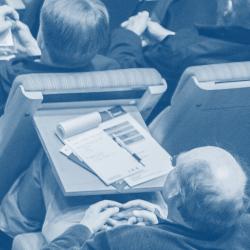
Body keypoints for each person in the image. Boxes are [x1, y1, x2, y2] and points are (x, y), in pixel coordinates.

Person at [40, 146, 250, 249]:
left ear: (174, 193)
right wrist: (162, 225)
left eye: (174, 164)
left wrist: (84, 227)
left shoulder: (126, 241)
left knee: (47, 165)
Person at [0, 0, 146, 114]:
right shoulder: (111, 72)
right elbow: (127, 58)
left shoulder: (9, 77)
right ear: (98, 44)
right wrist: (35, 53)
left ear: (42, 40)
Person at [117, 0, 250, 121]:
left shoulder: (180, 51)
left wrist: (130, 34)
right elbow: (208, 50)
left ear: (228, 8)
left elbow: (124, 78)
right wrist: (168, 37)